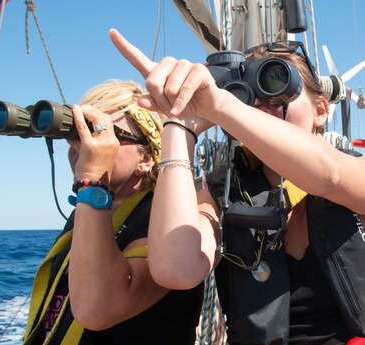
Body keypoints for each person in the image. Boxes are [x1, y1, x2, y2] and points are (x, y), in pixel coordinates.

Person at [109, 28, 365, 345]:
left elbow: (331, 175)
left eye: (276, 81)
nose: (263, 103)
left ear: (321, 110)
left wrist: (225, 107)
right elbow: (177, 269)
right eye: (249, 94)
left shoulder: (355, 170)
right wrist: (179, 122)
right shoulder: (222, 190)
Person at [22, 80, 204, 345]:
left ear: (146, 158)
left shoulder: (164, 219)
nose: (84, 145)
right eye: (78, 133)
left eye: (104, 133)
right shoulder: (87, 213)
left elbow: (100, 305)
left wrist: (92, 182)